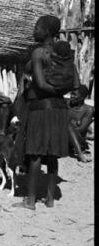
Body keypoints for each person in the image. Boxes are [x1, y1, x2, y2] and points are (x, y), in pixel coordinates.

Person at [12, 15, 80, 211]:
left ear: (47, 31)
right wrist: (60, 92)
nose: (34, 31)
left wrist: (49, 90)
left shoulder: (39, 53)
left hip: (41, 108)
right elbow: (75, 85)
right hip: (59, 110)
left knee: (35, 154)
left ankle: (31, 201)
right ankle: (50, 200)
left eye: (37, 28)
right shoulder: (65, 55)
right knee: (52, 155)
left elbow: (40, 84)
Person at [68, 85, 94, 163]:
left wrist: (68, 127)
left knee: (68, 125)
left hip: (79, 140)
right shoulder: (66, 105)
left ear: (82, 97)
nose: (71, 96)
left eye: (74, 95)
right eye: (71, 94)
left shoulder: (88, 110)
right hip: (63, 139)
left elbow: (81, 129)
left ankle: (79, 152)